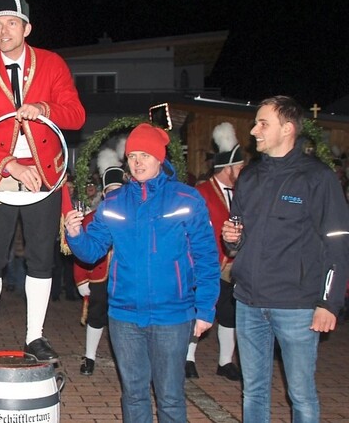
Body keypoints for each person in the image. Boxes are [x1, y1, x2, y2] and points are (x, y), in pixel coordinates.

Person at [0, 0, 86, 362]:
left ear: (26, 27)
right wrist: (9, 163)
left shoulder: (52, 64)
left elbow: (77, 115)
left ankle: (36, 335)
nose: (3, 31)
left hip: (44, 176)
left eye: (11, 23)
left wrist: (45, 109)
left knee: (41, 257)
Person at [65, 123, 220, 422]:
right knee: (134, 395)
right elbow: (92, 251)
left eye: (145, 155)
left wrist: (205, 308)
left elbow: (206, 257)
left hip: (173, 315)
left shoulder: (186, 199)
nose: (137, 162)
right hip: (124, 317)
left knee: (171, 397)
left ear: (160, 158)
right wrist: (75, 235)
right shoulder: (114, 202)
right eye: (132, 155)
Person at [222, 96, 349, 423]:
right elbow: (239, 237)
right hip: (249, 303)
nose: (254, 131)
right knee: (253, 391)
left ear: (288, 129)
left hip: (297, 306)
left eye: (263, 123)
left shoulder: (317, 178)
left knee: (301, 394)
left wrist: (328, 303)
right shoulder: (249, 177)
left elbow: (338, 245)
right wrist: (231, 239)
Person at [185, 122, 245, 381]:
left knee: (230, 315)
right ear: (228, 168)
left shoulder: (244, 191)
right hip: (207, 263)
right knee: (200, 311)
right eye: (240, 167)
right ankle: (188, 358)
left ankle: (225, 362)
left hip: (236, 264)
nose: (243, 172)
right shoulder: (202, 192)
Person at [66, 164, 125, 376]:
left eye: (119, 190)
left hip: (124, 278)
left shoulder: (132, 217)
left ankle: (124, 361)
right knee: (96, 316)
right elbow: (81, 253)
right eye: (111, 191)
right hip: (99, 277)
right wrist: (81, 280)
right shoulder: (91, 218)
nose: (115, 195)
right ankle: (89, 357)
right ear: (104, 193)